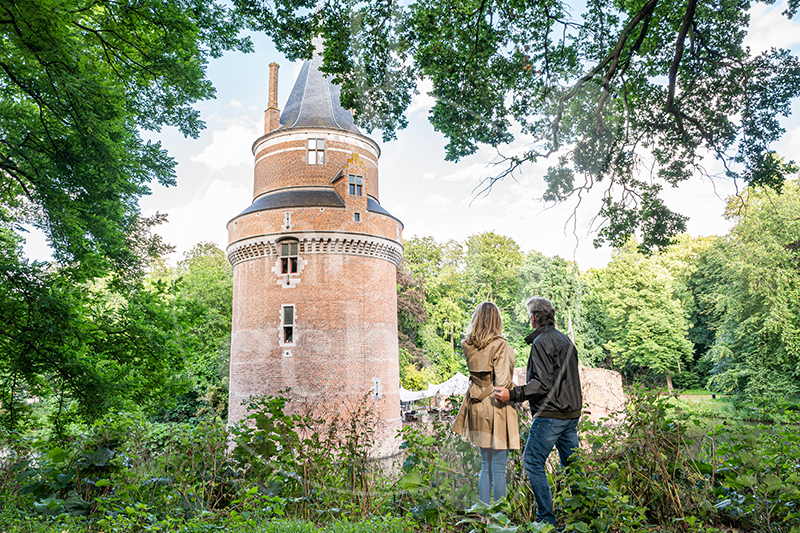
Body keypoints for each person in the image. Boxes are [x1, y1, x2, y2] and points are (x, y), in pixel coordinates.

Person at [493, 297, 582, 527]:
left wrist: (512, 394)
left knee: (532, 461)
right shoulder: (566, 341)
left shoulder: (542, 342)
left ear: (533, 318)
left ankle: (546, 522)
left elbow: (541, 383)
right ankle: (584, 517)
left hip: (551, 414)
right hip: (571, 415)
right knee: (573, 467)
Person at [453, 301, 519, 504]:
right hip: (496, 407)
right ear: (497, 321)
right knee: (499, 467)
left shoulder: (467, 345)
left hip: (477, 406)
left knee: (485, 464)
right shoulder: (500, 345)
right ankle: (499, 519)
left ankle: (484, 516)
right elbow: (503, 384)